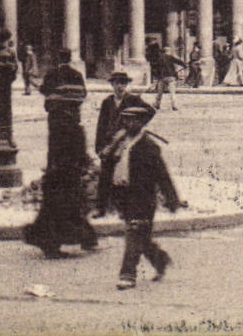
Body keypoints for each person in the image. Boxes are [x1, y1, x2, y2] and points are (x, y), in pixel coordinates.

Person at [104, 100, 185, 289]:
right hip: (124, 195)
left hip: (142, 197)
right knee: (141, 236)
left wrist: (171, 199)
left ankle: (127, 275)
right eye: (126, 120)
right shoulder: (121, 142)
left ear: (142, 123)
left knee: (134, 232)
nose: (129, 124)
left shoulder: (148, 146)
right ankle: (160, 260)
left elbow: (162, 174)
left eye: (134, 121)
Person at [24, 49, 97, 258]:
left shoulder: (53, 78)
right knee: (72, 197)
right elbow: (81, 95)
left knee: (56, 198)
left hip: (56, 152)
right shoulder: (76, 78)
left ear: (58, 58)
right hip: (71, 159)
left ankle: (57, 240)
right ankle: (83, 237)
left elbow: (46, 92)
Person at [95, 70, 145, 213]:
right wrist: (99, 147)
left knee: (124, 175)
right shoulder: (107, 102)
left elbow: (150, 111)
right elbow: (101, 126)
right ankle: (101, 209)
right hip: (109, 142)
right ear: (112, 84)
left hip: (125, 143)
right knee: (105, 175)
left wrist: (135, 127)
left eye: (123, 83)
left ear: (126, 85)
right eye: (117, 83)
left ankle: (124, 209)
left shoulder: (133, 100)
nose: (120, 87)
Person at [147, 41, 180, 111]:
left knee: (160, 92)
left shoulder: (160, 58)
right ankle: (174, 105)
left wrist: (157, 76)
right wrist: (185, 66)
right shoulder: (171, 57)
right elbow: (179, 61)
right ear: (168, 51)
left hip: (163, 77)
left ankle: (157, 104)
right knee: (172, 92)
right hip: (171, 77)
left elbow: (157, 68)